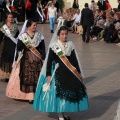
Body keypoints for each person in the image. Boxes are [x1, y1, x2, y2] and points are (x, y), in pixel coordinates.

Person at [33, 25, 89, 120]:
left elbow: (74, 60)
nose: (64, 36)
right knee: (59, 95)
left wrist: (78, 72)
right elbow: (49, 61)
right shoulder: (54, 46)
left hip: (69, 73)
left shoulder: (70, 45)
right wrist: (48, 75)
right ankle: (59, 113)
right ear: (58, 35)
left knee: (67, 94)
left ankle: (65, 112)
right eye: (62, 34)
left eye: (66, 34)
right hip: (58, 72)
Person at [6, 19, 46, 103]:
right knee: (28, 77)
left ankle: (37, 94)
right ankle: (30, 96)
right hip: (26, 60)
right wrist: (16, 59)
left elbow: (42, 48)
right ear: (28, 26)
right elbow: (19, 49)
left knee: (36, 77)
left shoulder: (39, 35)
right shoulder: (23, 36)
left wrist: (43, 58)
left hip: (37, 59)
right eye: (33, 25)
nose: (35, 27)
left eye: (36, 25)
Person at [0, 13, 19, 80]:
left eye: (11, 17)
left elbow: (18, 36)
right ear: (6, 18)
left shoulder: (15, 27)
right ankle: (7, 75)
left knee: (13, 59)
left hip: (13, 45)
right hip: (6, 45)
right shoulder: (3, 27)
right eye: (9, 17)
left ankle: (12, 74)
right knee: (6, 60)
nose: (11, 19)